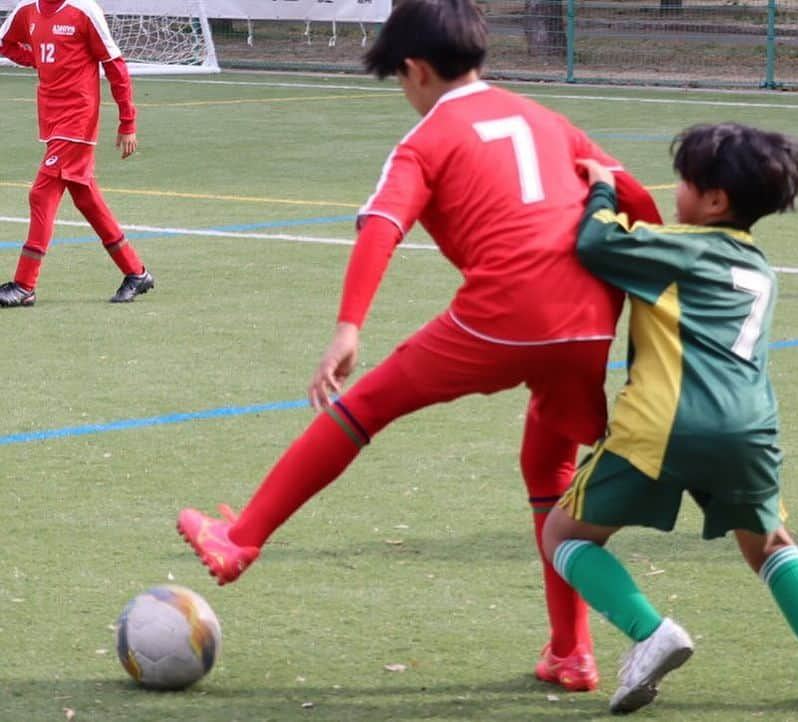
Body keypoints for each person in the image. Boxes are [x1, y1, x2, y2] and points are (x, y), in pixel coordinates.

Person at [176, 0, 661, 692]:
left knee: (362, 407)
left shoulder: (428, 139)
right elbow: (635, 199)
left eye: (400, 83)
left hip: (502, 315)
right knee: (546, 467)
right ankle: (571, 652)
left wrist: (348, 327)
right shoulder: (546, 119)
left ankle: (241, 537)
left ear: (415, 69)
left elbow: (381, 225)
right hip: (588, 325)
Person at [541, 123, 798, 714]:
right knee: (770, 545)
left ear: (715, 200)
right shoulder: (761, 270)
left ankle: (651, 633)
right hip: (751, 432)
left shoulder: (680, 248)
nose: (675, 191)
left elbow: (594, 244)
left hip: (664, 425)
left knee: (563, 535)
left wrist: (599, 189)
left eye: (685, 182)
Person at [0, 0, 153, 308]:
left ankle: (25, 284)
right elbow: (4, 43)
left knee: (41, 194)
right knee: (86, 199)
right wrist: (35, 60)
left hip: (79, 118)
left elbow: (115, 66)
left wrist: (128, 122)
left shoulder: (84, 11)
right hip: (51, 118)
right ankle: (136, 273)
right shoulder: (27, 10)